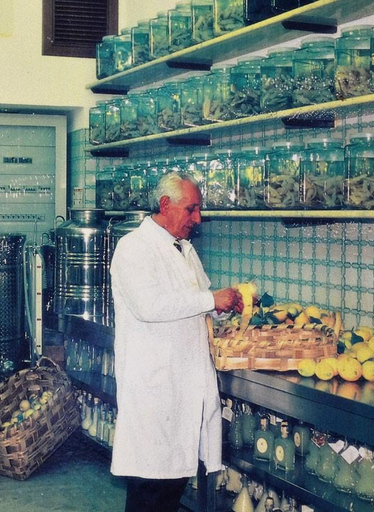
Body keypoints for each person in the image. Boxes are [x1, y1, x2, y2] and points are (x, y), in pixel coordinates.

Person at [109, 172, 242, 512]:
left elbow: (197, 302)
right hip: (155, 391)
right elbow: (150, 307)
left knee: (171, 489)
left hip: (183, 388)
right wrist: (212, 299)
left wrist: (223, 309)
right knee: (148, 492)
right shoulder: (133, 248)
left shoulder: (183, 249)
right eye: (191, 209)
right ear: (165, 205)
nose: (196, 219)